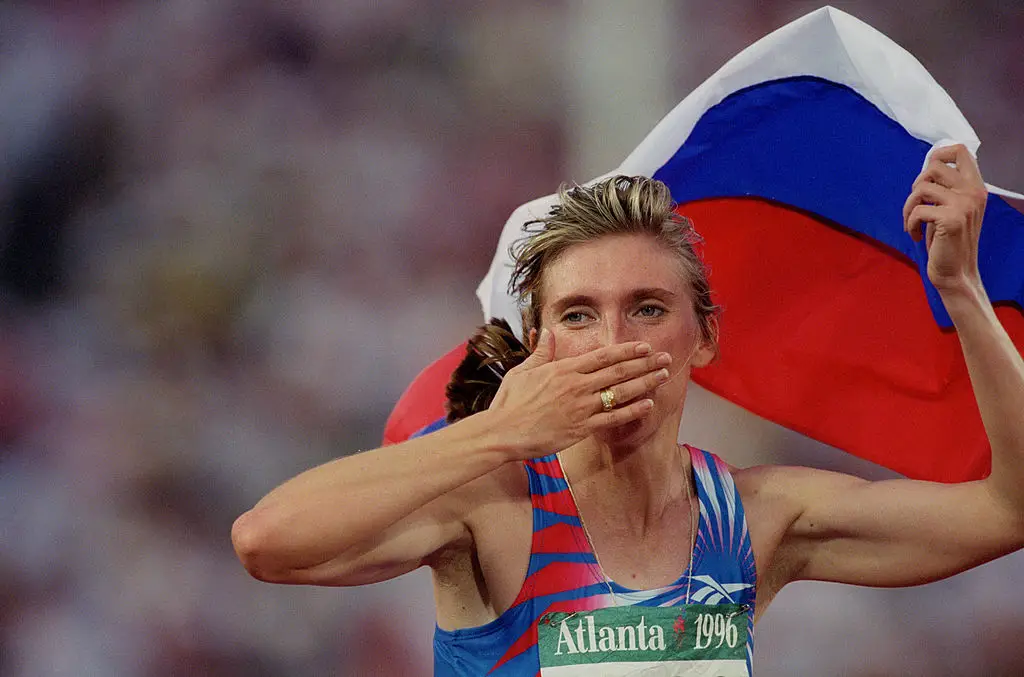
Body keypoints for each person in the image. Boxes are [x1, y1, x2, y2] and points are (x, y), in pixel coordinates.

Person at [231, 145, 1024, 676]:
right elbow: (266, 543)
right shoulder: (491, 509)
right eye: (579, 315)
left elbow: (1007, 508)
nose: (614, 341)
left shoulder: (755, 518)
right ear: (539, 344)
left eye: (647, 308)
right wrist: (500, 430)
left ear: (704, 338)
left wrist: (961, 289)